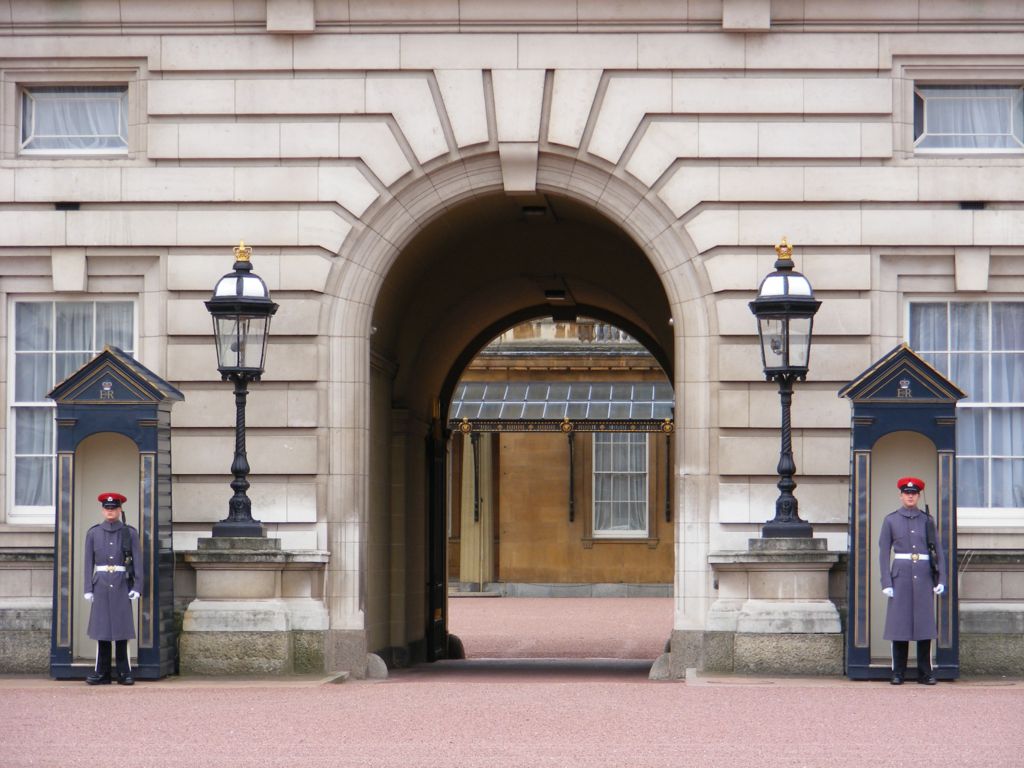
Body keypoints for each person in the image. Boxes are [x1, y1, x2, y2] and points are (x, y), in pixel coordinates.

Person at [878, 476, 946, 685]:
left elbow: (937, 551)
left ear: (917, 496)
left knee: (924, 626)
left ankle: (925, 673)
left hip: (924, 575)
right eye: (907, 493)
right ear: (901, 495)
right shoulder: (891, 520)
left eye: (913, 493)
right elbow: (883, 553)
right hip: (901, 576)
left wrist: (941, 577)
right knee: (899, 626)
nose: (910, 496)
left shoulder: (927, 520)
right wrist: (886, 583)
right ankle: (898, 672)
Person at [83, 492, 142, 685]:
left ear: (119, 510)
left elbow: (138, 562)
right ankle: (102, 672)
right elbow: (88, 562)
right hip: (100, 584)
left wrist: (138, 585)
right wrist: (88, 588)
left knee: (122, 630)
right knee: (102, 631)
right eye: (107, 508)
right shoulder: (93, 533)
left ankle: (124, 672)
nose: (110, 511)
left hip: (121, 583)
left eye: (113, 508)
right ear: (102, 510)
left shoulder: (129, 532)